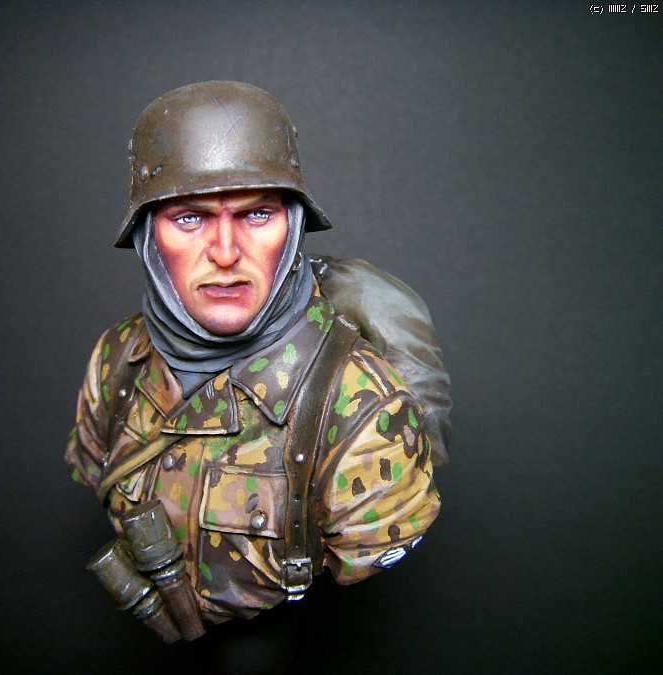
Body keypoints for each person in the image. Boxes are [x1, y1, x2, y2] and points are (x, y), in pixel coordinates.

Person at [65, 81, 446, 652]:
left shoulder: (362, 409)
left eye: (258, 214)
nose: (225, 252)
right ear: (148, 237)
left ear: (292, 228)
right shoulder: (117, 359)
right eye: (189, 219)